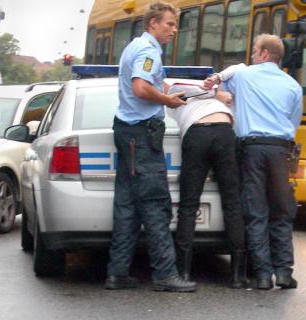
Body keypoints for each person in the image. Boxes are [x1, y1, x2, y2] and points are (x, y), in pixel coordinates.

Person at [105, 2, 196, 292]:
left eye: (174, 24)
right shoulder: (148, 51)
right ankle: (165, 274)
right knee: (156, 204)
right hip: (142, 136)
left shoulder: (135, 47)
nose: (173, 30)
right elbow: (141, 88)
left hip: (128, 131)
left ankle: (117, 273)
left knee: (127, 204)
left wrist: (168, 91)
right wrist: (168, 101)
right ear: (153, 23)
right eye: (169, 24)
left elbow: (147, 85)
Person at [204, 34, 303, 290]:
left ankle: (262, 275)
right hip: (281, 151)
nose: (251, 56)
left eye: (254, 51)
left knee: (256, 212)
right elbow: (293, 122)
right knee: (282, 212)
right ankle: (284, 272)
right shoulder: (293, 85)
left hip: (251, 150)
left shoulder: (244, 77)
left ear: (264, 54)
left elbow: (219, 90)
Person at [166, 77, 248, 288]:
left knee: (189, 205)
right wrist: (217, 92)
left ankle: (183, 272)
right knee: (232, 203)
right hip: (224, 131)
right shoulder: (219, 98)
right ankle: (238, 276)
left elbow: (177, 90)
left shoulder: (174, 96)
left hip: (197, 133)